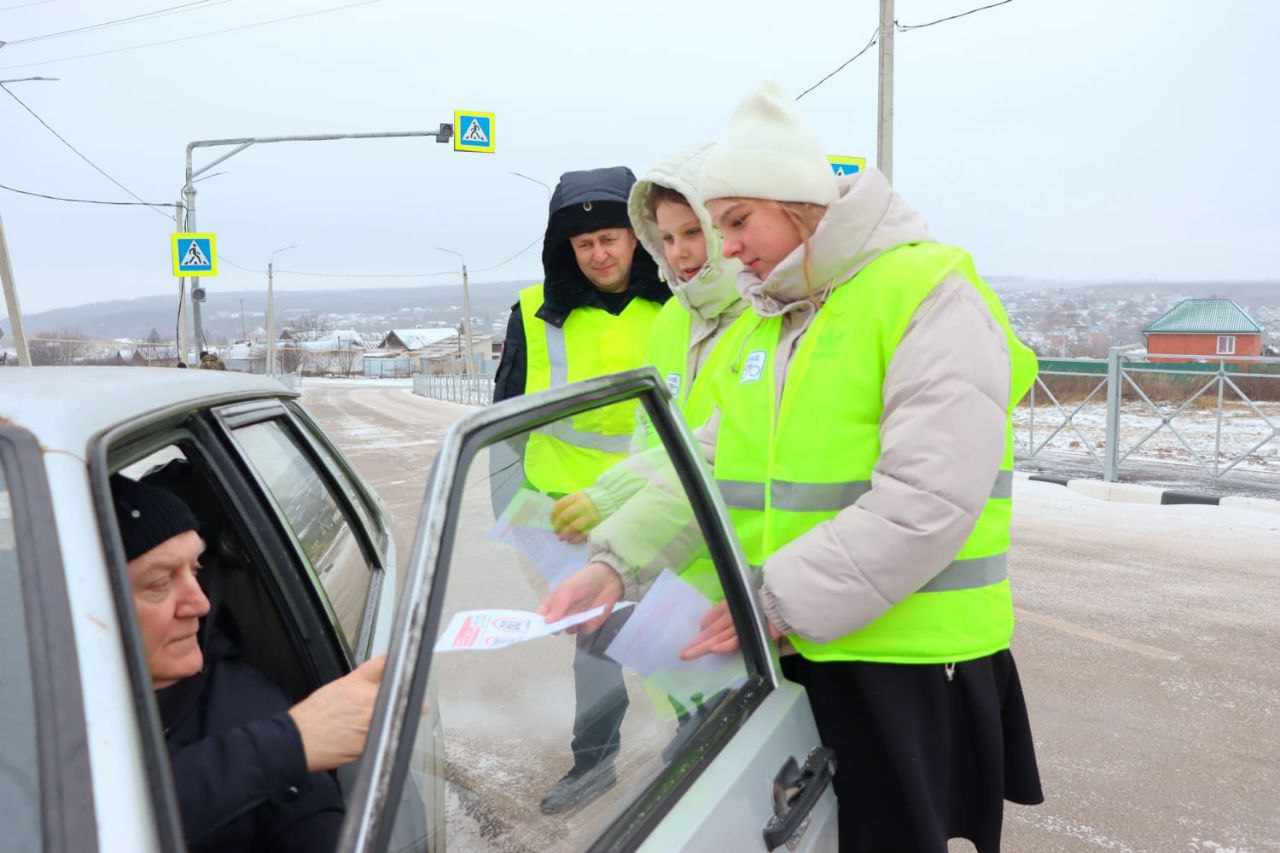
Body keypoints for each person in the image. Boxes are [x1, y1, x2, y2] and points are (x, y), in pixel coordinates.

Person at [541, 81, 1044, 851]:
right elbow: (706, 462)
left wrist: (771, 603)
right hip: (805, 639)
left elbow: (928, 500)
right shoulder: (777, 317)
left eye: (737, 221)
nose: (726, 246)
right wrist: (616, 560)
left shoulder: (926, 293)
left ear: (800, 202)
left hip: (907, 662)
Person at [490, 166, 668, 815]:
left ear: (635, 237)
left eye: (611, 238)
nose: (599, 254)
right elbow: (504, 420)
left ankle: (701, 742)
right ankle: (594, 762)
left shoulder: (678, 304)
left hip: (666, 505)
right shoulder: (535, 318)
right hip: (569, 516)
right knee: (598, 641)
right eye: (584, 242)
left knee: (678, 632)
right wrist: (513, 511)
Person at [112, 473, 385, 852]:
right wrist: (279, 749)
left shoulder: (250, 707)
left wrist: (288, 746)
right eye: (160, 583)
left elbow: (312, 824)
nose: (200, 604)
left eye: (195, 570)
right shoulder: (27, 710)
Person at [549, 142, 749, 553]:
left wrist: (610, 501)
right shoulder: (674, 318)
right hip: (669, 543)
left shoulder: (764, 317)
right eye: (668, 238)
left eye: (692, 232)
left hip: (739, 549)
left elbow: (720, 444)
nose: (679, 251)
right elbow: (648, 435)